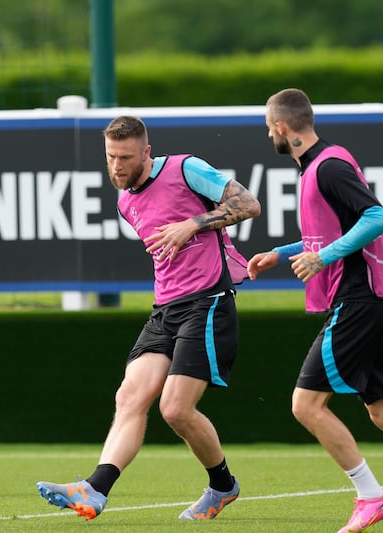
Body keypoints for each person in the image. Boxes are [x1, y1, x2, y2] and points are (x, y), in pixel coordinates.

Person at [247, 88, 383, 533]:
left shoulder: (327, 166)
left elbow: (377, 218)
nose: (268, 132)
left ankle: (371, 496)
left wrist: (323, 258)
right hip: (372, 297)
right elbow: (331, 235)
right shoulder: (316, 166)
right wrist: (281, 253)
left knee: (306, 405)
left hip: (359, 298)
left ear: (283, 127)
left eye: (269, 126)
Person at [36, 115, 261, 521]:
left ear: (147, 153)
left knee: (175, 410)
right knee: (129, 396)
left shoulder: (186, 168)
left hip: (208, 302)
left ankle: (223, 485)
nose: (117, 166)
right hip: (166, 310)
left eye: (125, 157)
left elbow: (248, 203)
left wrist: (190, 224)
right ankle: (95, 490)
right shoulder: (124, 200)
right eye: (110, 157)